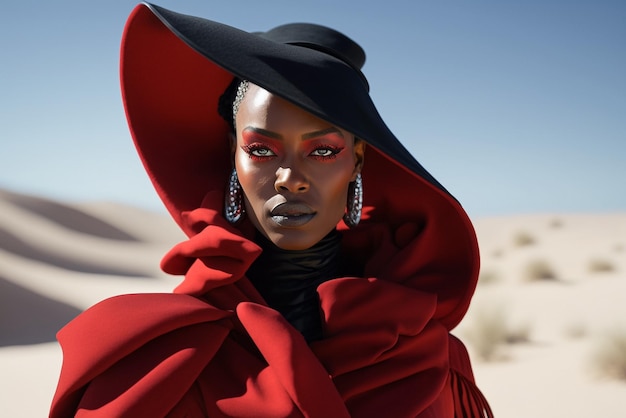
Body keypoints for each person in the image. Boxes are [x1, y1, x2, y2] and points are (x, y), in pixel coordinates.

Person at [50, 3, 493, 417]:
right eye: (261, 149)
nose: (289, 178)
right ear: (233, 155)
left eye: (322, 151)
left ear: (358, 158)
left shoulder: (426, 352)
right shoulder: (146, 353)